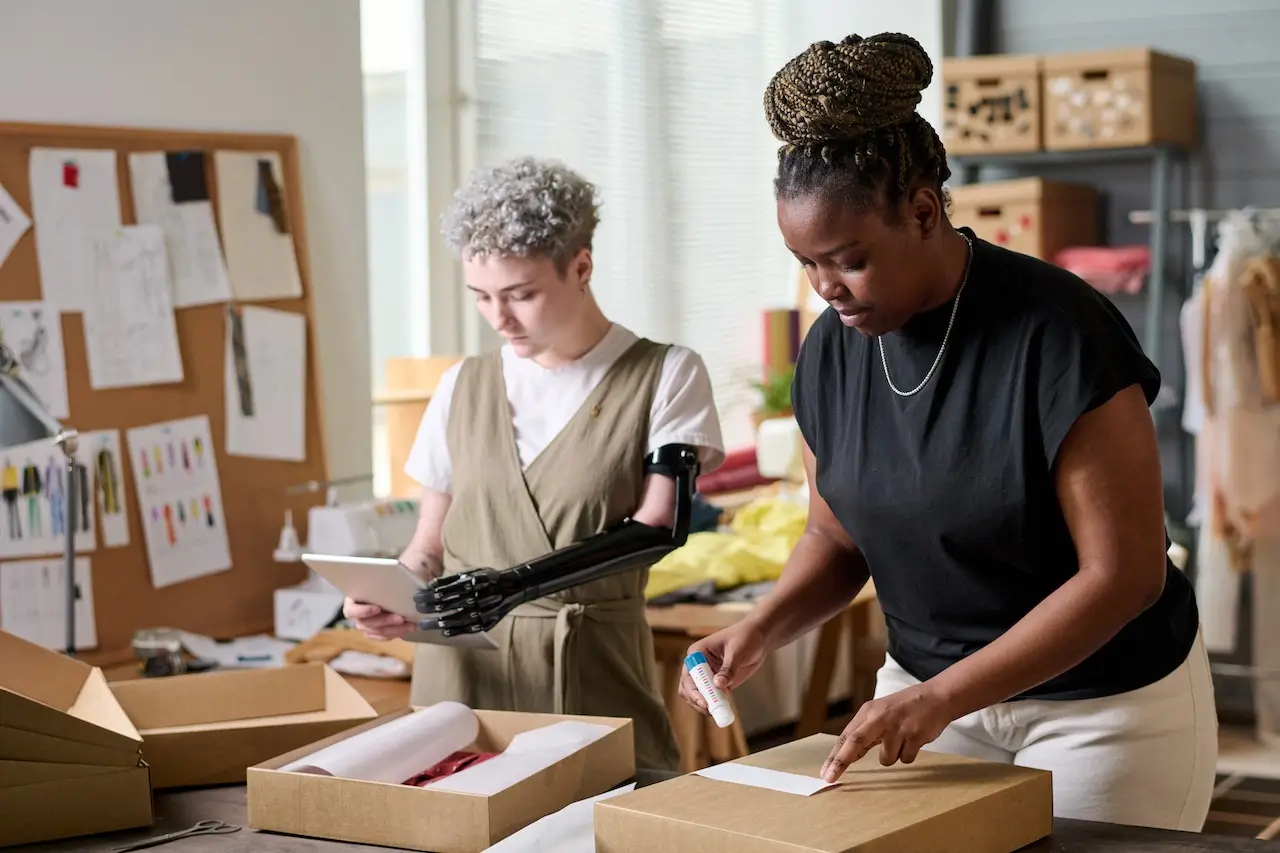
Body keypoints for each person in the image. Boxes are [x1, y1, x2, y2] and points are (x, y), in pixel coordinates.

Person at [679, 33, 1216, 831]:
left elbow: (1124, 574)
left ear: (923, 211)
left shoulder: (1060, 332)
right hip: (931, 691)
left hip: (1101, 706)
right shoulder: (831, 348)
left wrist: (941, 696)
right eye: (806, 263)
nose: (827, 287)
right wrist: (763, 627)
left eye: (849, 259)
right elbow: (835, 537)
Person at [345, 155, 725, 772]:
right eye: (481, 297)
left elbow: (662, 526)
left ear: (581, 267)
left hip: (588, 670)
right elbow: (428, 547)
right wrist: (388, 597)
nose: (499, 318)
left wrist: (513, 586)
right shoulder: (462, 386)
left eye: (521, 294)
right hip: (461, 684)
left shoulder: (663, 374)